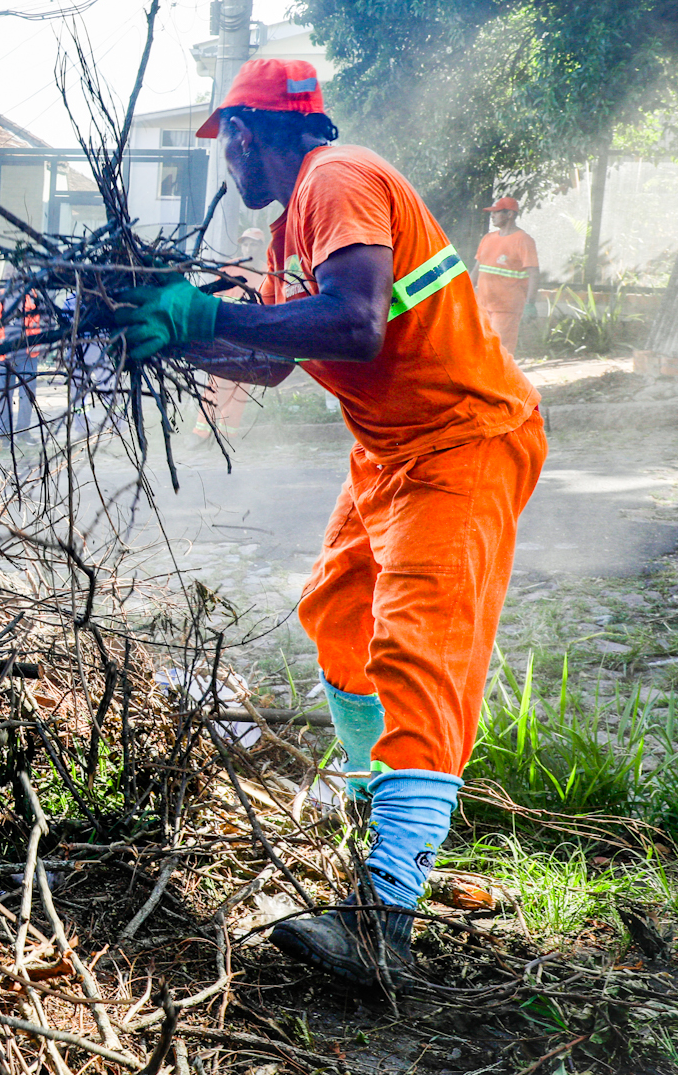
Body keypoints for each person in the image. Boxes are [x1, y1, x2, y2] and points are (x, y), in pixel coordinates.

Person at [117, 59, 545, 994]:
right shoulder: (294, 229)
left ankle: (382, 916)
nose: (227, 160)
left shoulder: (338, 178)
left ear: (249, 129)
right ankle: (378, 825)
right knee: (339, 618)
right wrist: (178, 330)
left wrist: (207, 309)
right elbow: (275, 358)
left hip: (463, 440)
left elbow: (355, 326)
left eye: (226, 139)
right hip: (393, 450)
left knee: (418, 654)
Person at [191, 227, 270, 440]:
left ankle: (227, 436)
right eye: (245, 243)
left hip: (252, 337)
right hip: (227, 335)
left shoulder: (267, 272)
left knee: (241, 386)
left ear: (261, 247)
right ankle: (201, 433)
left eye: (253, 244)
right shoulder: (229, 269)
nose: (248, 248)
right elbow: (213, 301)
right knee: (217, 382)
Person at [473, 197, 539, 355]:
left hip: (507, 308)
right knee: (482, 350)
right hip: (483, 305)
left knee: (499, 351)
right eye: (492, 213)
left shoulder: (523, 240)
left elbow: (534, 274)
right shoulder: (488, 238)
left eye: (496, 212)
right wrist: (465, 293)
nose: (492, 216)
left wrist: (530, 303)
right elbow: (476, 269)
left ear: (510, 214)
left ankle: (500, 380)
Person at [0, 279, 40, 436]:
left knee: (27, 395)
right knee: (5, 396)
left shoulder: (33, 294)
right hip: (4, 355)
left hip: (27, 354)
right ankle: (4, 434)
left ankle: (23, 431)